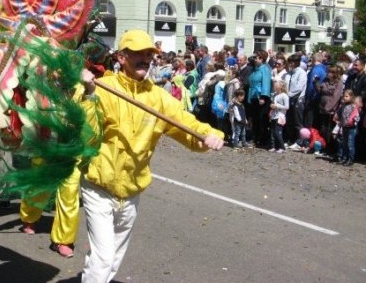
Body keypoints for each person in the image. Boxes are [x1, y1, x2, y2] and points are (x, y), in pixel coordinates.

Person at [78, 30, 224, 283]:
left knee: (110, 261)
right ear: (122, 57)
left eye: (149, 54)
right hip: (98, 187)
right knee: (102, 260)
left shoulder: (158, 98)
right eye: (138, 54)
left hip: (132, 192)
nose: (145, 59)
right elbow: (84, 135)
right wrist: (89, 95)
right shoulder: (104, 89)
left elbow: (186, 125)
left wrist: (209, 135)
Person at [248, 50, 272, 146]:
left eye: (256, 57)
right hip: (254, 96)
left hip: (261, 98)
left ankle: (262, 139)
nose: (254, 59)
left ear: (261, 59)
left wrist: (263, 96)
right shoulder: (256, 69)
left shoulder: (265, 69)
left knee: (262, 119)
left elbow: (266, 83)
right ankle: (256, 137)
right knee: (255, 119)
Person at [268, 80, 289, 153]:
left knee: (278, 132)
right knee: (272, 132)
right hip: (274, 115)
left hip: (280, 116)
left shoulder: (284, 95)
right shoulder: (275, 95)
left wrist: (277, 106)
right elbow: (274, 104)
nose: (274, 87)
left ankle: (282, 147)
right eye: (274, 86)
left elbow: (287, 107)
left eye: (276, 86)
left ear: (280, 86)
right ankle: (274, 146)